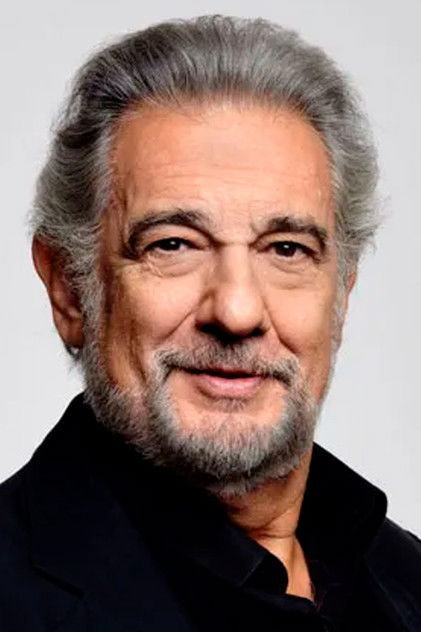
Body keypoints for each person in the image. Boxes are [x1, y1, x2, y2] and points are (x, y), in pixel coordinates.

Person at [1, 14, 419, 632]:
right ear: (68, 289)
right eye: (174, 245)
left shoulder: (406, 577)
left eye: (286, 249)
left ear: (343, 292)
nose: (237, 311)